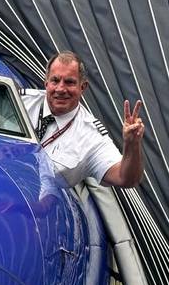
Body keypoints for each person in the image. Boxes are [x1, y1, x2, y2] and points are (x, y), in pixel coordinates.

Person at [21, 51, 145, 188]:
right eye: (55, 80)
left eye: (69, 82)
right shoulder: (19, 101)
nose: (61, 89)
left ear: (83, 87)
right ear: (46, 83)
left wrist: (132, 144)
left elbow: (125, 179)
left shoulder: (91, 137)